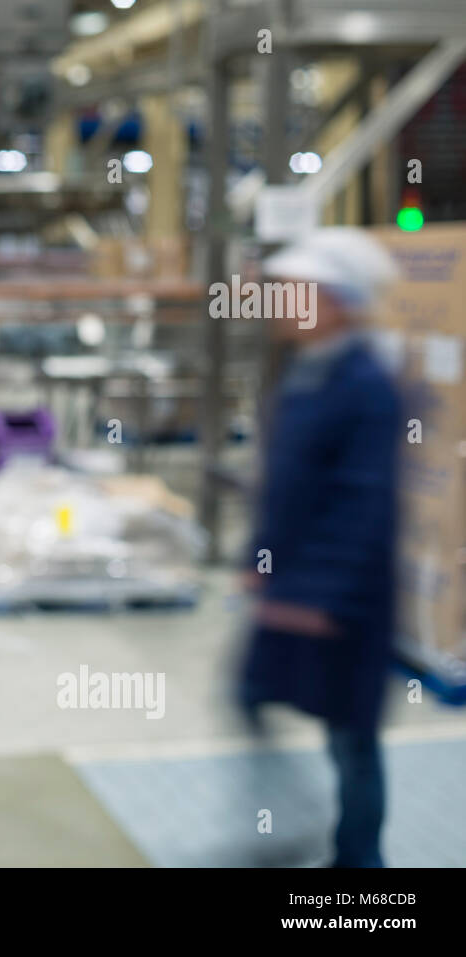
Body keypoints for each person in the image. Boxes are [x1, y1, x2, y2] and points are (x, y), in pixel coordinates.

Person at [239, 228, 403, 867]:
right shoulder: (305, 373)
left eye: (296, 290)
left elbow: (363, 506)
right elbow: (283, 485)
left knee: (352, 738)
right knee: (251, 696)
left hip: (342, 601)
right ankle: (291, 829)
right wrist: (258, 560)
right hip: (291, 587)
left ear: (336, 300)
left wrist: (317, 597)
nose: (282, 302)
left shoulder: (367, 386)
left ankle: (359, 870)